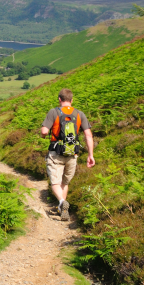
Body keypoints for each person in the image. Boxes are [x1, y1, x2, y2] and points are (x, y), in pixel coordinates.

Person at [40, 88, 95, 221]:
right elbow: (88, 135)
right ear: (72, 100)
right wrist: (90, 155)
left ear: (59, 99)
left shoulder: (54, 112)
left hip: (56, 152)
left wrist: (44, 134)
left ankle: (61, 203)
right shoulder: (79, 114)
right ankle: (62, 208)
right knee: (65, 182)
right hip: (72, 153)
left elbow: (44, 131)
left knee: (55, 182)